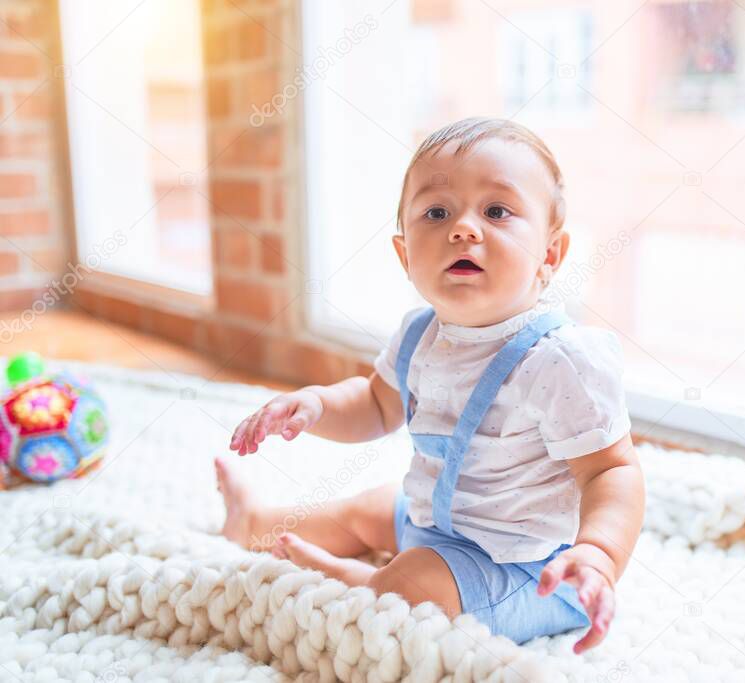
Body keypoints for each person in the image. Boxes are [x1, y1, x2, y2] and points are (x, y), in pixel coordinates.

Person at [215, 117, 645, 653]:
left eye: (497, 211)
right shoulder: (420, 332)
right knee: (369, 508)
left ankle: (365, 583)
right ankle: (253, 520)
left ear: (550, 256)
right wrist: (317, 405)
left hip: (526, 567)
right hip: (437, 523)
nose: (464, 229)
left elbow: (611, 470)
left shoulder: (560, 361)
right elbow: (375, 404)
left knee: (415, 581)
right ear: (405, 255)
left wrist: (599, 555)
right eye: (437, 212)